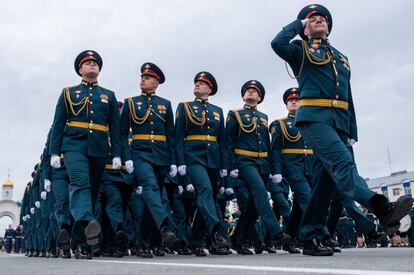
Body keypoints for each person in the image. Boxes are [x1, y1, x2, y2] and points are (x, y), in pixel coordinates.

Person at [271, 4, 413, 256]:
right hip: (314, 119)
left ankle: (311, 235)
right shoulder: (300, 50)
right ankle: (381, 207)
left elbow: (348, 97)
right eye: (312, 18)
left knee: (325, 184)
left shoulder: (341, 57)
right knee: (344, 166)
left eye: (322, 18)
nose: (318, 20)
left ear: (329, 28)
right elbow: (277, 43)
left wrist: (350, 133)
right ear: (305, 27)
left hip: (339, 123)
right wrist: (298, 24)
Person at [49, 50, 122, 259]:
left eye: (95, 63)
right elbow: (59, 123)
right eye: (87, 63)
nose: (92, 65)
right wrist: (55, 152)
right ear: (80, 69)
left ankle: (79, 243)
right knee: (80, 184)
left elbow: (114, 129)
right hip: (73, 145)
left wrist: (116, 154)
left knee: (89, 195)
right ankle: (90, 223)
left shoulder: (108, 95)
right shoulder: (68, 93)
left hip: (99, 148)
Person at [120, 62, 181, 252]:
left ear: (156, 82)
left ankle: (144, 243)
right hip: (140, 152)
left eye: (147, 78)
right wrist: (127, 156)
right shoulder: (130, 102)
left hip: (162, 156)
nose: (142, 80)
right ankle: (165, 228)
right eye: (141, 77)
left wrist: (173, 161)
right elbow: (122, 133)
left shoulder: (165, 104)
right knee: (150, 187)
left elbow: (171, 135)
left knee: (150, 200)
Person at [226, 80, 291, 254]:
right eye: (248, 90)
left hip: (262, 163)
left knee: (253, 209)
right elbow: (229, 142)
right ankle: (276, 231)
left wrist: (270, 169)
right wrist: (231, 165)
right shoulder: (235, 113)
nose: (251, 92)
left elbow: (267, 145)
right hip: (244, 161)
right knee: (260, 191)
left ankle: (237, 240)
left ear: (260, 97)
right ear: (243, 95)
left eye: (254, 91)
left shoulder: (263, 117)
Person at [175, 71, 229, 256]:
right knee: (205, 190)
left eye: (202, 83)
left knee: (207, 200)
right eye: (196, 82)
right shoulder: (185, 107)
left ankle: (195, 242)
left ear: (210, 89)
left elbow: (222, 142)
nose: (197, 84)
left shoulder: (217, 111)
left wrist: (224, 166)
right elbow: (178, 138)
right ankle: (215, 232)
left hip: (212, 159)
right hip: (193, 158)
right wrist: (180, 162)